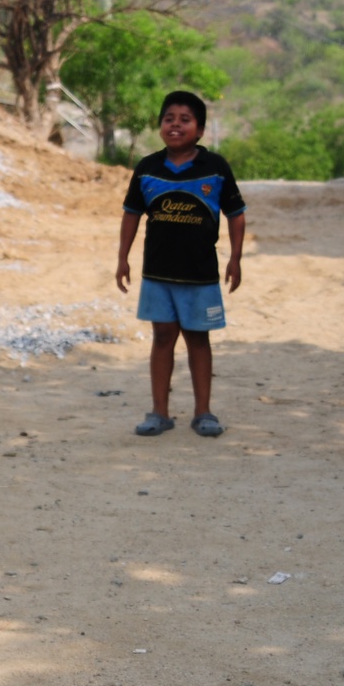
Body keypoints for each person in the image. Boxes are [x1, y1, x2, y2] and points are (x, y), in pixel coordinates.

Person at [115, 90, 245, 438]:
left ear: (200, 130)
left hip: (200, 276)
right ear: (160, 126)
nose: (176, 125)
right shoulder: (147, 169)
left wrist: (235, 257)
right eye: (169, 118)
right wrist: (122, 258)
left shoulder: (215, 169)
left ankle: (203, 412)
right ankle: (160, 412)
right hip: (157, 275)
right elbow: (131, 215)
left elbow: (236, 215)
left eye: (185, 119)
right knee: (161, 338)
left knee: (198, 340)